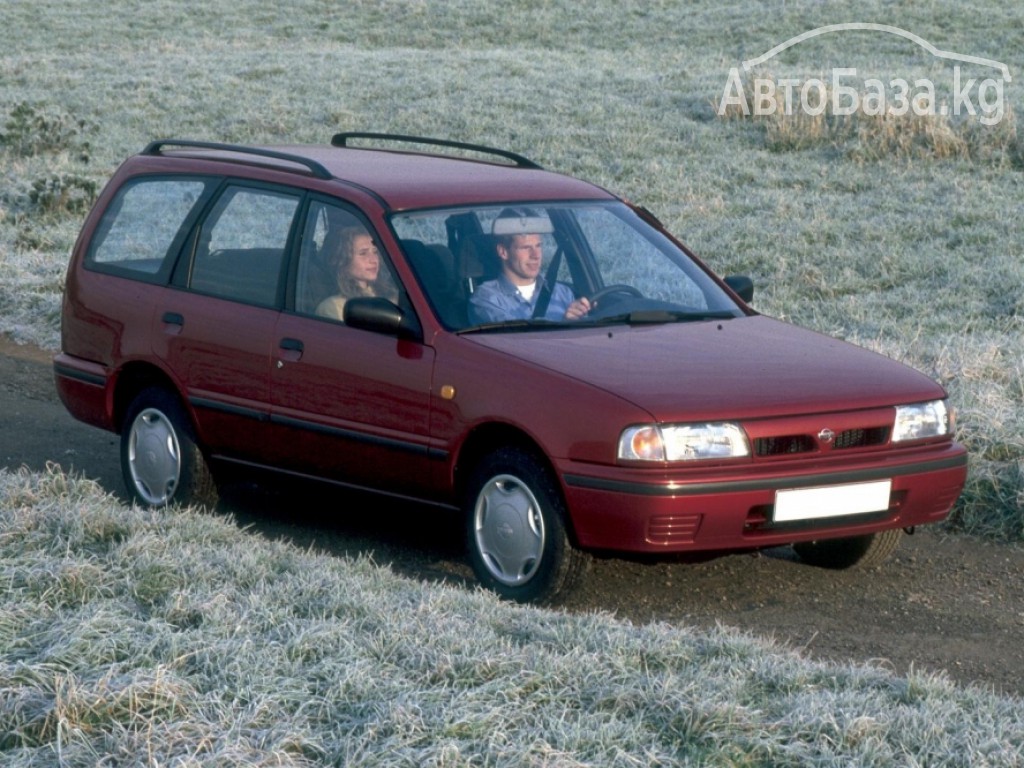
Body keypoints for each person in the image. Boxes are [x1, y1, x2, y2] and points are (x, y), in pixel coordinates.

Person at [468, 208, 590, 324]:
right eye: (526, 247)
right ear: (503, 252)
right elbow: (512, 340)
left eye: (538, 246)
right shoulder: (486, 299)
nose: (536, 255)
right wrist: (564, 325)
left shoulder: (563, 294)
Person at [316, 226, 395, 320]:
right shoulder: (334, 307)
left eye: (375, 252)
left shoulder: (392, 295)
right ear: (344, 261)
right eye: (363, 253)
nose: (374, 260)